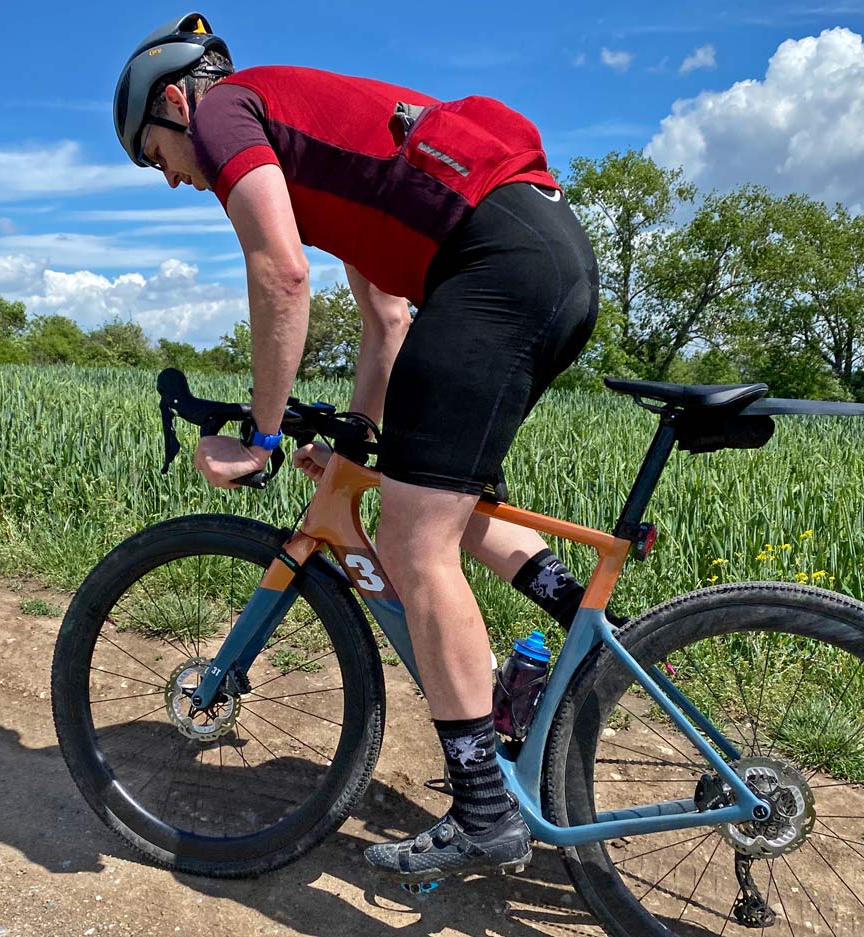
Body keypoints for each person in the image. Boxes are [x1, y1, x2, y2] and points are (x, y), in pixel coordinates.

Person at [113, 14, 599, 882]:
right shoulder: (321, 158)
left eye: (156, 156)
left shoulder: (227, 112)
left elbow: (280, 273)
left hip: (493, 271)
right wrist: (360, 442)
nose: (176, 181)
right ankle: (598, 639)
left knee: (416, 544)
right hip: (538, 259)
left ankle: (485, 810)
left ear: (177, 102)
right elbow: (386, 319)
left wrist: (261, 438)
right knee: (441, 503)